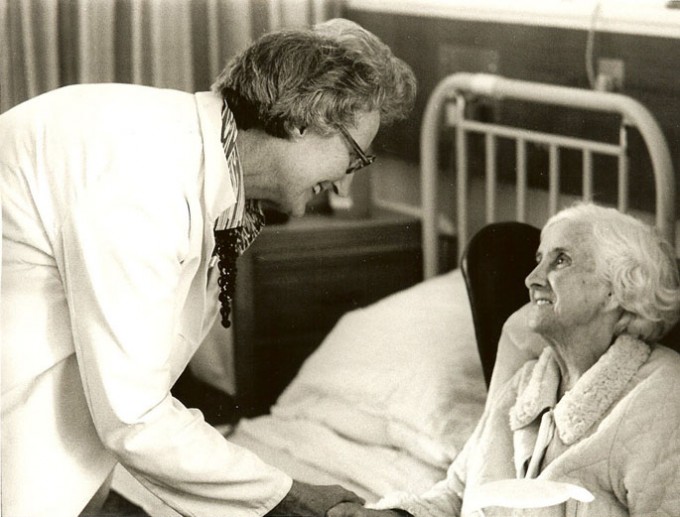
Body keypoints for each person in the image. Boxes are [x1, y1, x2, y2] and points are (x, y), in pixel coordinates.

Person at [0, 18, 416, 516]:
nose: (346, 187)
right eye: (353, 160)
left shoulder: (193, 155)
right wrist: (284, 496)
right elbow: (134, 415)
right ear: (304, 121)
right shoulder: (144, 177)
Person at [328, 203, 680, 517]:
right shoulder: (527, 385)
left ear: (617, 291)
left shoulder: (662, 398)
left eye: (561, 260)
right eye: (538, 260)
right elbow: (457, 493)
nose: (532, 279)